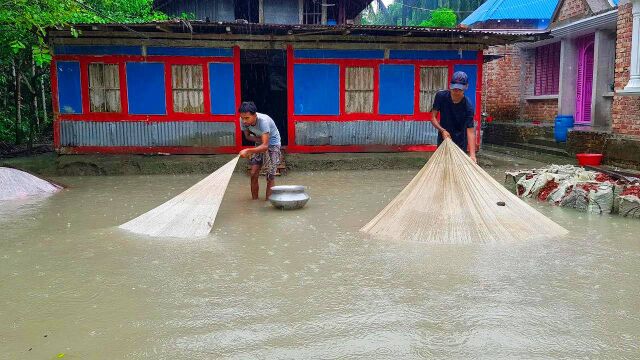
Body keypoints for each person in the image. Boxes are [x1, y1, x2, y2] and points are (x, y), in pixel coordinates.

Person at [237, 101, 282, 200]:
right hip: (260, 141)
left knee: (270, 176)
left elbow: (265, 146)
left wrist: (248, 150)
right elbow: (248, 137)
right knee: (253, 173)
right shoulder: (242, 120)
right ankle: (254, 202)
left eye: (247, 118)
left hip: (273, 144)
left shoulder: (263, 121)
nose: (244, 121)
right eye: (242, 118)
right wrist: (260, 140)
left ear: (255, 115)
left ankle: (268, 203)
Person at [430, 71, 477, 163]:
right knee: (442, 167)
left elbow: (470, 131)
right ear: (450, 85)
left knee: (457, 171)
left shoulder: (468, 107)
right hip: (444, 141)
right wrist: (442, 130)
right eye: (454, 88)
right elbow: (433, 117)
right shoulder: (441, 97)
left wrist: (472, 155)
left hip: (460, 144)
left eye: (459, 89)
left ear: (466, 87)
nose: (456, 91)